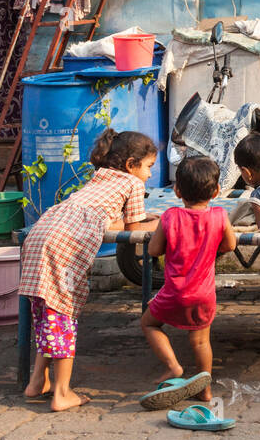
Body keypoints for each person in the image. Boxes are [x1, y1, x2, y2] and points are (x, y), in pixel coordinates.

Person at [20, 129, 159, 413]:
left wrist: (137, 220)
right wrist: (163, 223)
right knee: (62, 315)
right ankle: (61, 393)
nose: (149, 175)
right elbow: (134, 230)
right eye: (148, 167)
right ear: (131, 165)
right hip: (62, 246)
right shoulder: (132, 184)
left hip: (42, 232)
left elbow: (103, 221)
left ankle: (37, 382)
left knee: (47, 313)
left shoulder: (99, 177)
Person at [138, 156, 237, 412]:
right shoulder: (219, 215)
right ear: (216, 191)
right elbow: (230, 245)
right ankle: (205, 390)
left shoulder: (170, 217)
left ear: (177, 190)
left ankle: (173, 366)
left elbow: (153, 250)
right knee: (201, 342)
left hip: (174, 292)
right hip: (204, 294)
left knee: (149, 323)